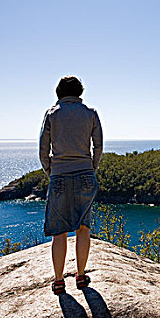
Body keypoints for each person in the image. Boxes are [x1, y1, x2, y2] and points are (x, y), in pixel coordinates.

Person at [39, 76, 103, 295]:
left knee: (60, 231)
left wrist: (51, 171)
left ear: (59, 92)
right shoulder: (90, 114)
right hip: (86, 173)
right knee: (83, 227)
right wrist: (91, 168)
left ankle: (58, 281)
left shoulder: (52, 114)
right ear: (80, 92)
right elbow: (98, 146)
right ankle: (81, 275)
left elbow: (42, 149)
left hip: (59, 176)